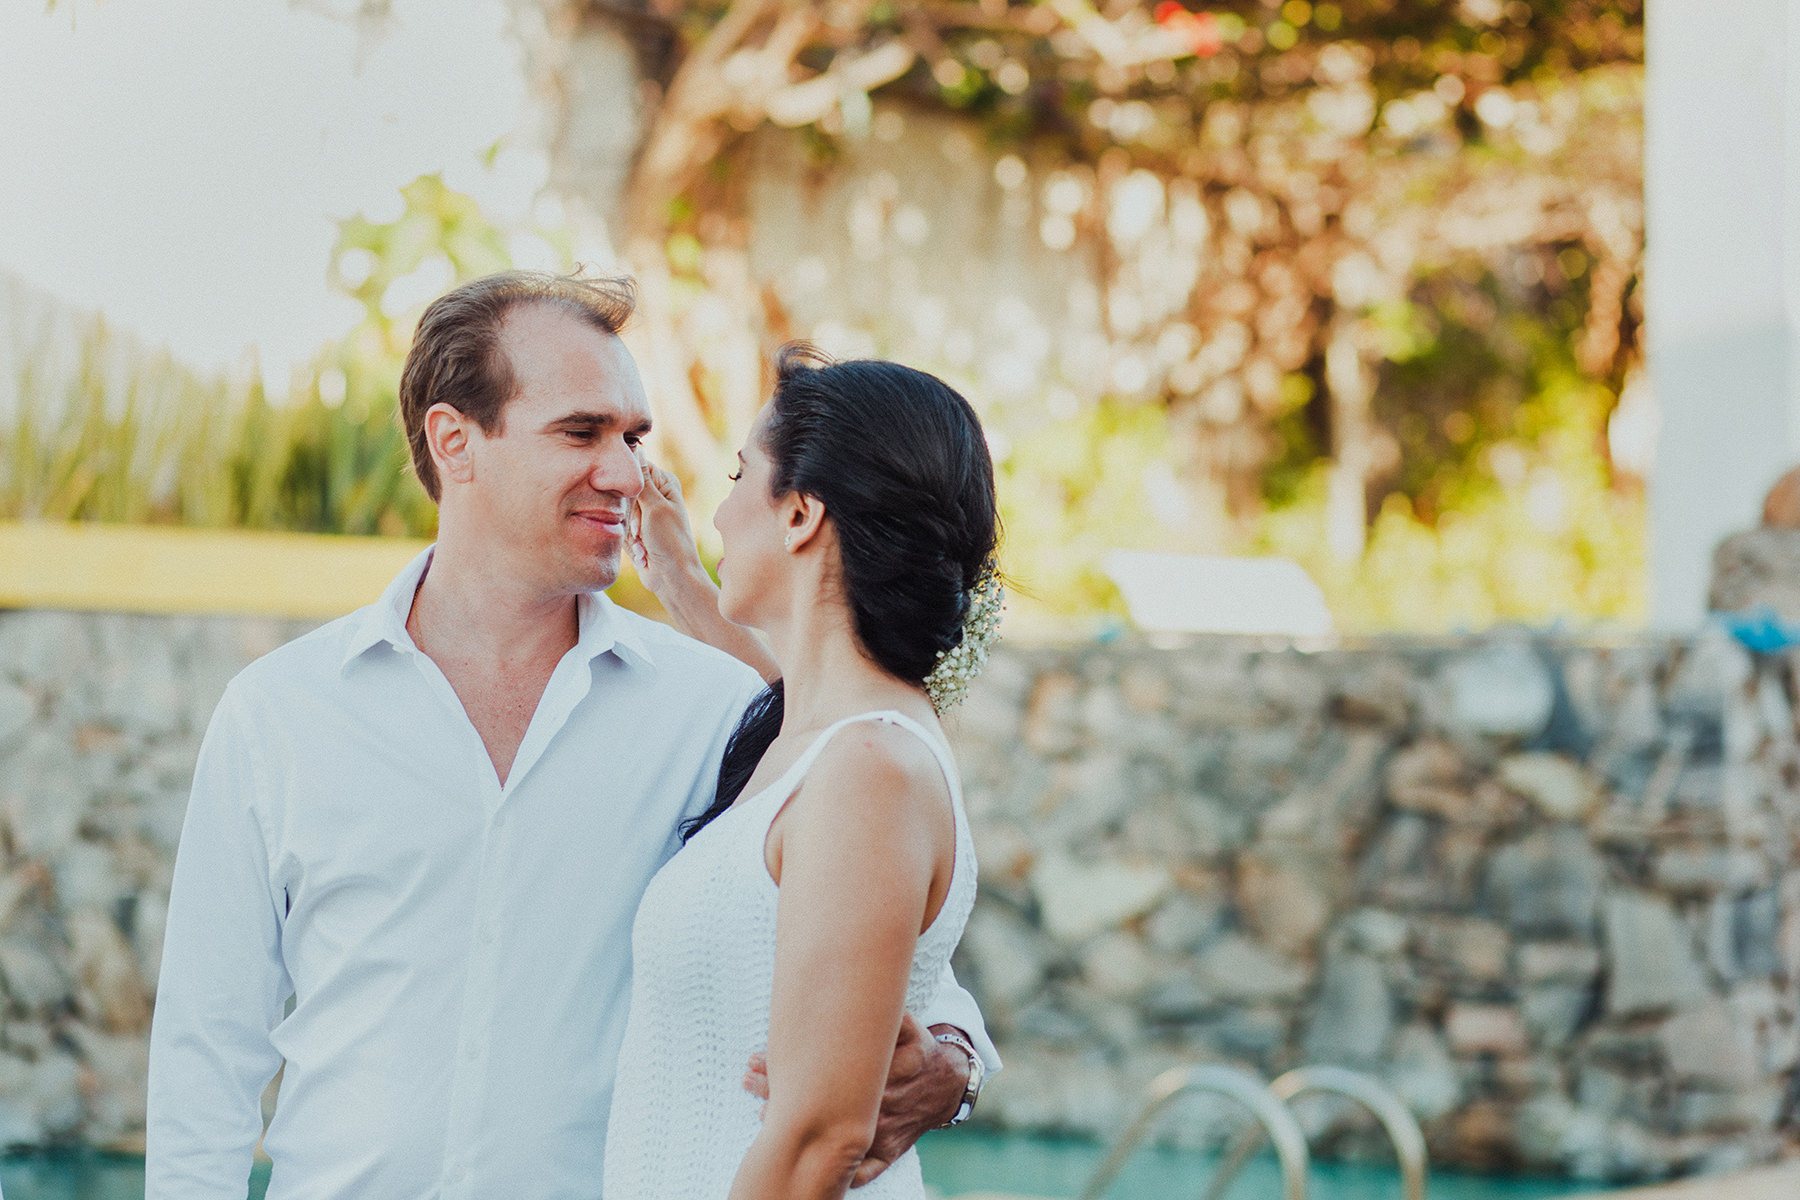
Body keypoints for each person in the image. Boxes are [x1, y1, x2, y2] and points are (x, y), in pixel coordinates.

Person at [144, 271, 995, 1199]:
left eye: (632, 437)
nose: (628, 473)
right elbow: (206, 1053)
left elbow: (891, 926)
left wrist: (954, 1060)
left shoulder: (715, 710)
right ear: (454, 441)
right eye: (581, 433)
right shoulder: (280, 715)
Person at [602, 346, 1002, 1200]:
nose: (716, 514)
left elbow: (817, 1140)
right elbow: (791, 693)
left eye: (742, 474)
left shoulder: (870, 770)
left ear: (800, 516)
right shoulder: (827, 739)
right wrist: (680, 582)